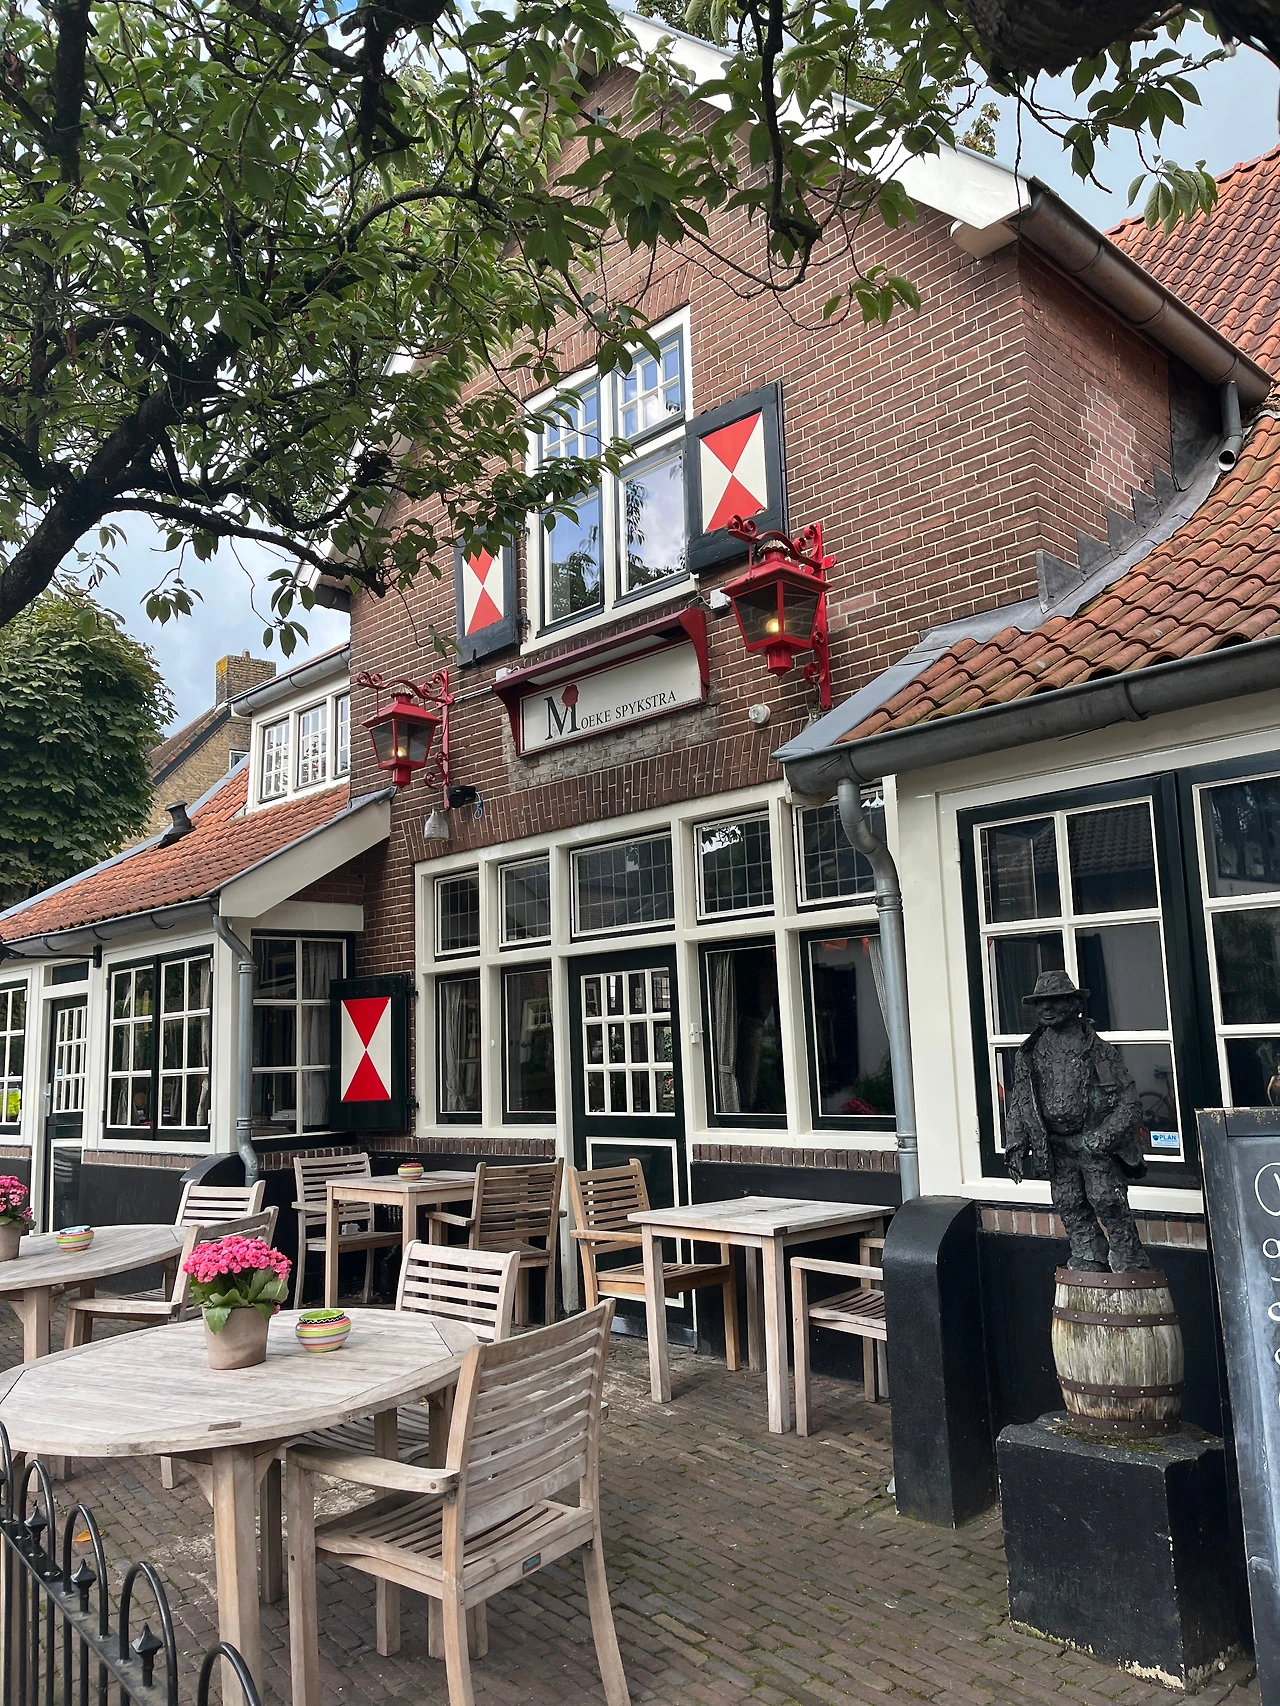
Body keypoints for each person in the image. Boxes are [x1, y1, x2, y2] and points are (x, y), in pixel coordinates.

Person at [1004, 970, 1149, 1273]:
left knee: (1106, 1199)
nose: (1046, 1008)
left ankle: (1129, 1257)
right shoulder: (1029, 1054)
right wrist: (1016, 1143)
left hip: (1093, 1143)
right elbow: (1020, 1099)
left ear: (1074, 1004)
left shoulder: (1098, 1050)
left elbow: (1129, 1100)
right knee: (1068, 1202)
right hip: (1055, 1146)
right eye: (1040, 1002)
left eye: (1055, 1001)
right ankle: (1088, 1253)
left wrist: (1103, 1138)